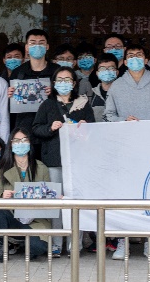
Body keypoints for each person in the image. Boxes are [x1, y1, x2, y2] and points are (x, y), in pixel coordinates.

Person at [105, 42, 150, 260]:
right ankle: (123, 241)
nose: (134, 59)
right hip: (124, 150)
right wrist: (124, 121)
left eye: (139, 55)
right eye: (130, 56)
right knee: (124, 196)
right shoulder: (117, 86)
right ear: (124, 61)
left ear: (146, 59)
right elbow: (108, 115)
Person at [32, 66, 94, 256]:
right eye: (60, 80)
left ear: (74, 83)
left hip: (77, 162)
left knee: (76, 203)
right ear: (54, 83)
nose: (63, 83)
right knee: (56, 202)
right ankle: (57, 243)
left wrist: (86, 128)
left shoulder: (83, 104)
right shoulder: (48, 105)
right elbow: (36, 129)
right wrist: (50, 128)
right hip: (54, 160)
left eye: (67, 80)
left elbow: (94, 132)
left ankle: (75, 244)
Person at [0, 128, 52, 263]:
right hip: (13, 217)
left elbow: (48, 196)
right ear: (11, 144)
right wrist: (2, 196)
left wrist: (52, 195)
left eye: (24, 140)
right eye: (17, 141)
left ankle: (23, 243)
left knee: (39, 248)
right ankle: (2, 247)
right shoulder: (2, 169)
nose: (21, 144)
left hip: (35, 220)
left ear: (30, 143)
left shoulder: (41, 168)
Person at [8, 29, 58, 134]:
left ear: (47, 46)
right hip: (25, 129)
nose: (37, 46)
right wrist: (9, 95)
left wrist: (55, 92)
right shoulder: (18, 73)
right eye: (33, 43)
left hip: (51, 127)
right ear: (26, 47)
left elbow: (69, 98)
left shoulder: (57, 72)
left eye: (41, 43)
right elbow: (11, 108)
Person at [90, 54, 119, 121]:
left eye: (111, 68)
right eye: (102, 68)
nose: (107, 71)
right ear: (97, 73)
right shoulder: (90, 94)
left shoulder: (125, 93)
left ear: (117, 72)